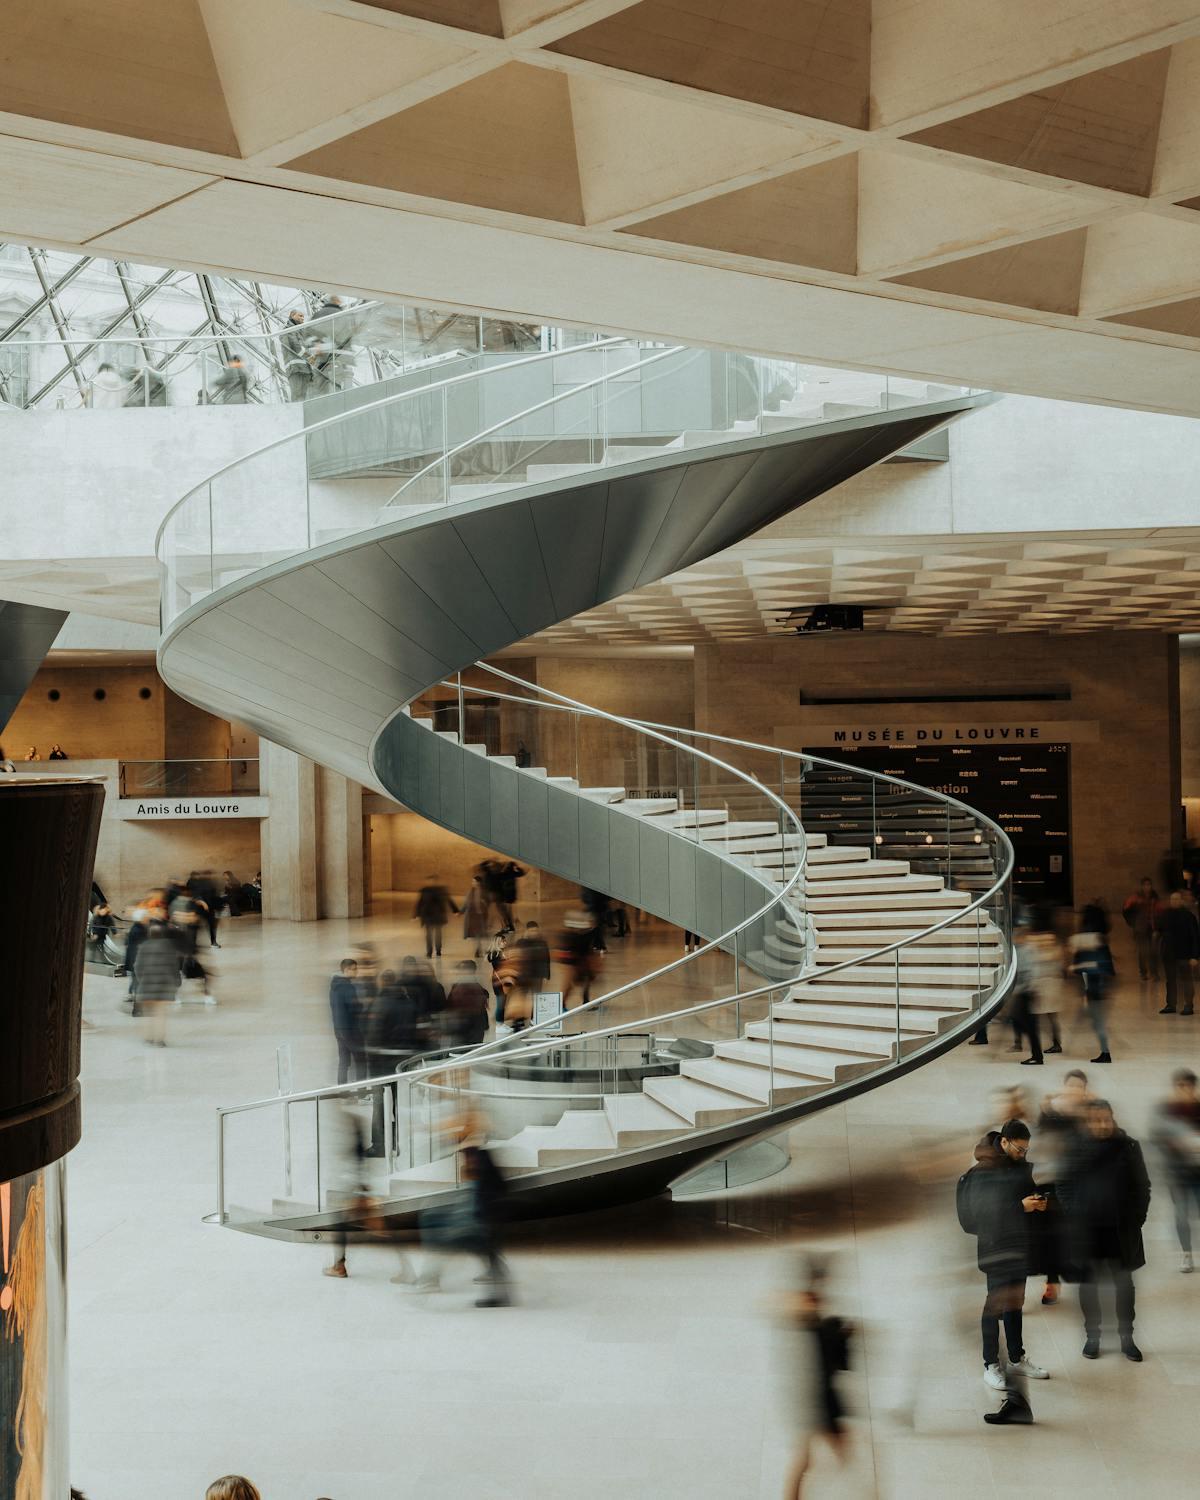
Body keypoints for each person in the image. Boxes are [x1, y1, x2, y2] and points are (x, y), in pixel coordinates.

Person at [956, 1117, 1049, 1417]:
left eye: (1027, 1150)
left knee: (1015, 1303)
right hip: (996, 1249)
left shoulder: (1018, 1164)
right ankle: (990, 1364)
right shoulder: (985, 1170)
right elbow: (985, 1215)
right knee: (993, 1306)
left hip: (1017, 1246)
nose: (1024, 1154)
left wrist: (1038, 1202)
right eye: (1020, 1149)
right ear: (1005, 1142)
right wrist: (1022, 1206)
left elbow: (1023, 1192)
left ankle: (1017, 1357)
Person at [1058, 1098, 1150, 1361]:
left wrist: (1137, 1219)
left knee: (1124, 1286)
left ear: (1112, 1118)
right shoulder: (1075, 1148)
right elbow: (1063, 1184)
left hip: (1121, 1231)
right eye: (1095, 1120)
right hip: (1087, 1233)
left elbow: (1142, 1187)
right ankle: (1093, 1337)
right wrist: (1075, 1214)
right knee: (1088, 1286)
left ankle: (1126, 1338)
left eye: (1105, 1119)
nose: (1101, 1124)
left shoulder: (1129, 1147)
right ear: (1087, 1122)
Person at [777, 1259, 853, 1497]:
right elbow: (836, 1360)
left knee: (808, 1457)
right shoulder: (813, 1315)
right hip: (818, 1398)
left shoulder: (805, 1312)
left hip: (810, 1397)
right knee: (828, 1456)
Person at [1151, 1067, 1200, 1273]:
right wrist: (1176, 1143)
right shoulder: (1165, 1109)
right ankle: (1186, 1254)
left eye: (1187, 1086)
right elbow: (1156, 1136)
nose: (1183, 1091)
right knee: (1181, 1215)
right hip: (1177, 1173)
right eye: (1180, 1086)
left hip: (1198, 1172)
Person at [1067, 903, 1114, 1062]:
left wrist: (1077, 966)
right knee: (1096, 1021)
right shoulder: (1101, 940)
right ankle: (1104, 1050)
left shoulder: (1083, 939)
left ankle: (1105, 1052)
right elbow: (1107, 967)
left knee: (1097, 1021)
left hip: (1093, 987)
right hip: (1099, 987)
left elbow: (1088, 965)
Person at [132, 921, 181, 1046]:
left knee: (148, 1014)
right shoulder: (169, 946)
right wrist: (177, 981)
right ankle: (159, 1040)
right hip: (164, 986)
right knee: (160, 1014)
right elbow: (175, 966)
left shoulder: (143, 946)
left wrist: (142, 979)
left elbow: (137, 966)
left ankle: (148, 1037)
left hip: (146, 985)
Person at [1157, 889, 1199, 1015]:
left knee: (1186, 979)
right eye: (1172, 899)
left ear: (1181, 901)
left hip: (1184, 954)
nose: (1174, 901)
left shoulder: (1188, 916)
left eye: (1176, 899)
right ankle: (1171, 1004)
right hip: (1169, 954)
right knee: (1170, 980)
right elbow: (1161, 932)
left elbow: (1195, 937)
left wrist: (1194, 956)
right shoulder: (1165, 915)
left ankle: (1188, 1005)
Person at [329, 958, 363, 1084]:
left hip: (339, 1030)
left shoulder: (334, 986)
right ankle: (362, 1092)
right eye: (354, 969)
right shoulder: (349, 988)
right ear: (346, 970)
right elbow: (355, 1008)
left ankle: (342, 1091)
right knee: (361, 1061)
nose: (357, 972)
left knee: (343, 1061)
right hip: (351, 1030)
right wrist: (362, 1006)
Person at [1122, 876, 1161, 982]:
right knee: (1142, 951)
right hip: (1140, 928)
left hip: (1152, 927)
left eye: (1149, 885)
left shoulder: (1155, 897)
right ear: (1142, 886)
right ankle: (1143, 973)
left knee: (1153, 951)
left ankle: (1154, 973)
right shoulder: (1135, 897)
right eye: (1145, 885)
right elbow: (1125, 909)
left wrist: (1158, 928)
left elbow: (1159, 912)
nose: (1147, 887)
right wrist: (1132, 922)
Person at [445, 959, 490, 1047]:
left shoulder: (463, 988)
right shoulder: (477, 987)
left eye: (461, 970)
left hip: (465, 1033)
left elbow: (455, 1008)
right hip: (472, 1031)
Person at [414, 877, 458, 959]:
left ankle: (438, 950)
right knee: (429, 935)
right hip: (428, 916)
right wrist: (416, 914)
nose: (431, 883)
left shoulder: (441, 890)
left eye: (432, 881)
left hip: (437, 916)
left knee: (438, 934)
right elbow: (420, 903)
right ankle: (429, 952)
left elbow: (449, 900)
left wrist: (455, 910)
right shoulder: (425, 890)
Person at [281, 307, 312, 401]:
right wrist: (309, 357)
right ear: (292, 315)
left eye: (303, 316)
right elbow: (295, 345)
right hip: (295, 368)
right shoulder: (288, 330)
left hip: (304, 368)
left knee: (305, 396)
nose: (302, 318)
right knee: (297, 394)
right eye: (300, 315)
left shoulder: (300, 331)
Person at [189, 869, 221, 947]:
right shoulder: (198, 883)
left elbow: (214, 897)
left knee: (211, 926)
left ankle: (213, 942)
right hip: (200, 908)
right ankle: (193, 944)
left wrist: (217, 908)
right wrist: (203, 903)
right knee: (196, 926)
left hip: (209, 908)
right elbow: (196, 895)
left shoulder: (210, 883)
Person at [461, 874, 491, 957]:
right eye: (473, 881)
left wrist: (484, 903)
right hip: (473, 916)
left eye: (474, 881)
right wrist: (461, 912)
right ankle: (478, 950)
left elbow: (488, 902)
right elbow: (466, 903)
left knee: (482, 933)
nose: (473, 883)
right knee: (476, 934)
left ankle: (484, 949)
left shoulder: (484, 892)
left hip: (482, 915)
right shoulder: (471, 892)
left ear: (479, 883)